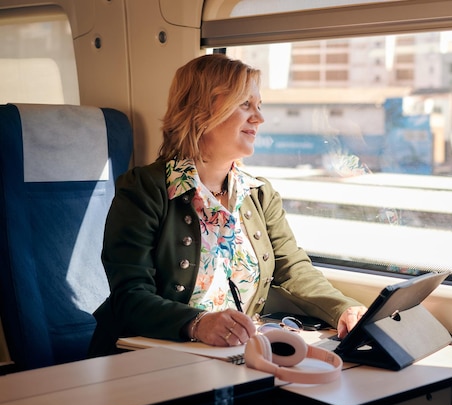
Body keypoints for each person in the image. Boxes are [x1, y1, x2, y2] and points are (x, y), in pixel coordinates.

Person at [88, 53, 367, 356]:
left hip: (230, 356)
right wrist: (198, 323)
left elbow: (293, 268)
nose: (258, 118)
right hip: (148, 356)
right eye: (245, 104)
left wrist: (345, 309)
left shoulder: (258, 194)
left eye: (259, 107)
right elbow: (130, 296)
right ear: (201, 110)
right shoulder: (145, 189)